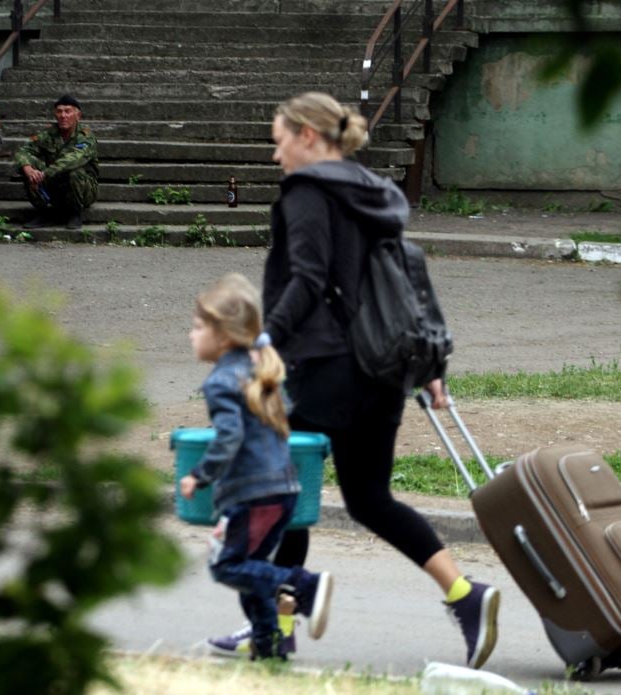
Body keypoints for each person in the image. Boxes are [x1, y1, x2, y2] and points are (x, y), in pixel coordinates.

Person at [209, 92, 502, 670]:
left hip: (326, 367)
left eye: (279, 141)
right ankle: (466, 595)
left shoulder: (309, 191)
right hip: (382, 366)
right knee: (367, 497)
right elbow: (408, 278)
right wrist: (429, 365)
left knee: (285, 493)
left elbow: (309, 278)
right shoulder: (374, 191)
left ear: (309, 137)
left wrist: (264, 340)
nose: (276, 155)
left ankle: (280, 622)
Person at [180, 273, 334, 660]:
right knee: (251, 569)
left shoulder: (221, 382)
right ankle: (269, 645)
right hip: (282, 490)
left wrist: (200, 475)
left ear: (225, 336)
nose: (190, 335)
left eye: (199, 327)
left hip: (255, 493)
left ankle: (301, 586)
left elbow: (228, 438)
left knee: (228, 566)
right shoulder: (258, 370)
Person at [15, 94, 98, 230]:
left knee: (75, 171)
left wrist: (45, 173)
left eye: (68, 111)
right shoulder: (48, 134)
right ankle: (44, 212)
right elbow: (23, 150)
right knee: (30, 167)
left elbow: (72, 159)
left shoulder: (86, 136)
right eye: (59, 111)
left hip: (83, 190)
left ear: (78, 115)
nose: (63, 115)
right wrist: (27, 168)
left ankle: (74, 213)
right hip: (54, 184)